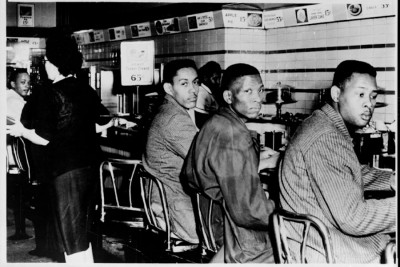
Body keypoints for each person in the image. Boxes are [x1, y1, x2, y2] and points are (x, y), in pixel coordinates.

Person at [7, 34, 113, 263]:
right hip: (91, 167)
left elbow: (44, 139)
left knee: (70, 236)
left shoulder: (48, 92)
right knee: (82, 231)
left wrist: (20, 131)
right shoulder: (85, 89)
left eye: (47, 60)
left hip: (65, 170)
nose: (45, 65)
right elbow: (104, 121)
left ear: (54, 63)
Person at [279, 60, 396, 263]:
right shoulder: (327, 136)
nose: (369, 103)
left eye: (373, 96)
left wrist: (391, 180)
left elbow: (346, 171)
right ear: (336, 94)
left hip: (309, 241)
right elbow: (354, 218)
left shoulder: (319, 123)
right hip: (325, 252)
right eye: (360, 94)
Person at [183, 63, 279, 263]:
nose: (257, 98)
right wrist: (283, 212)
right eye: (248, 91)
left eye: (260, 90)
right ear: (228, 97)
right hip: (233, 231)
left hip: (212, 220)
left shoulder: (217, 122)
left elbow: (191, 174)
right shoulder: (234, 134)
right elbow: (248, 211)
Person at [142, 59, 200, 248]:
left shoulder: (170, 110)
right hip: (177, 211)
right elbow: (208, 160)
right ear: (169, 88)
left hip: (166, 202)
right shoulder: (174, 119)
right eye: (184, 84)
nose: (194, 90)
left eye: (196, 82)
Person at [6, 68, 32, 241]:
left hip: (9, 156)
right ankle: (20, 230)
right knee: (20, 192)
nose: (27, 86)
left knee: (15, 193)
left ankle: (20, 229)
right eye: (23, 82)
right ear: (13, 84)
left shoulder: (7, 97)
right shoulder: (16, 102)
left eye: (29, 83)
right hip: (14, 156)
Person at [194, 61, 222, 128]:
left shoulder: (210, 92)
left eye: (219, 78)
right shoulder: (201, 93)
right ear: (205, 78)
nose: (218, 82)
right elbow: (199, 120)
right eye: (215, 79)